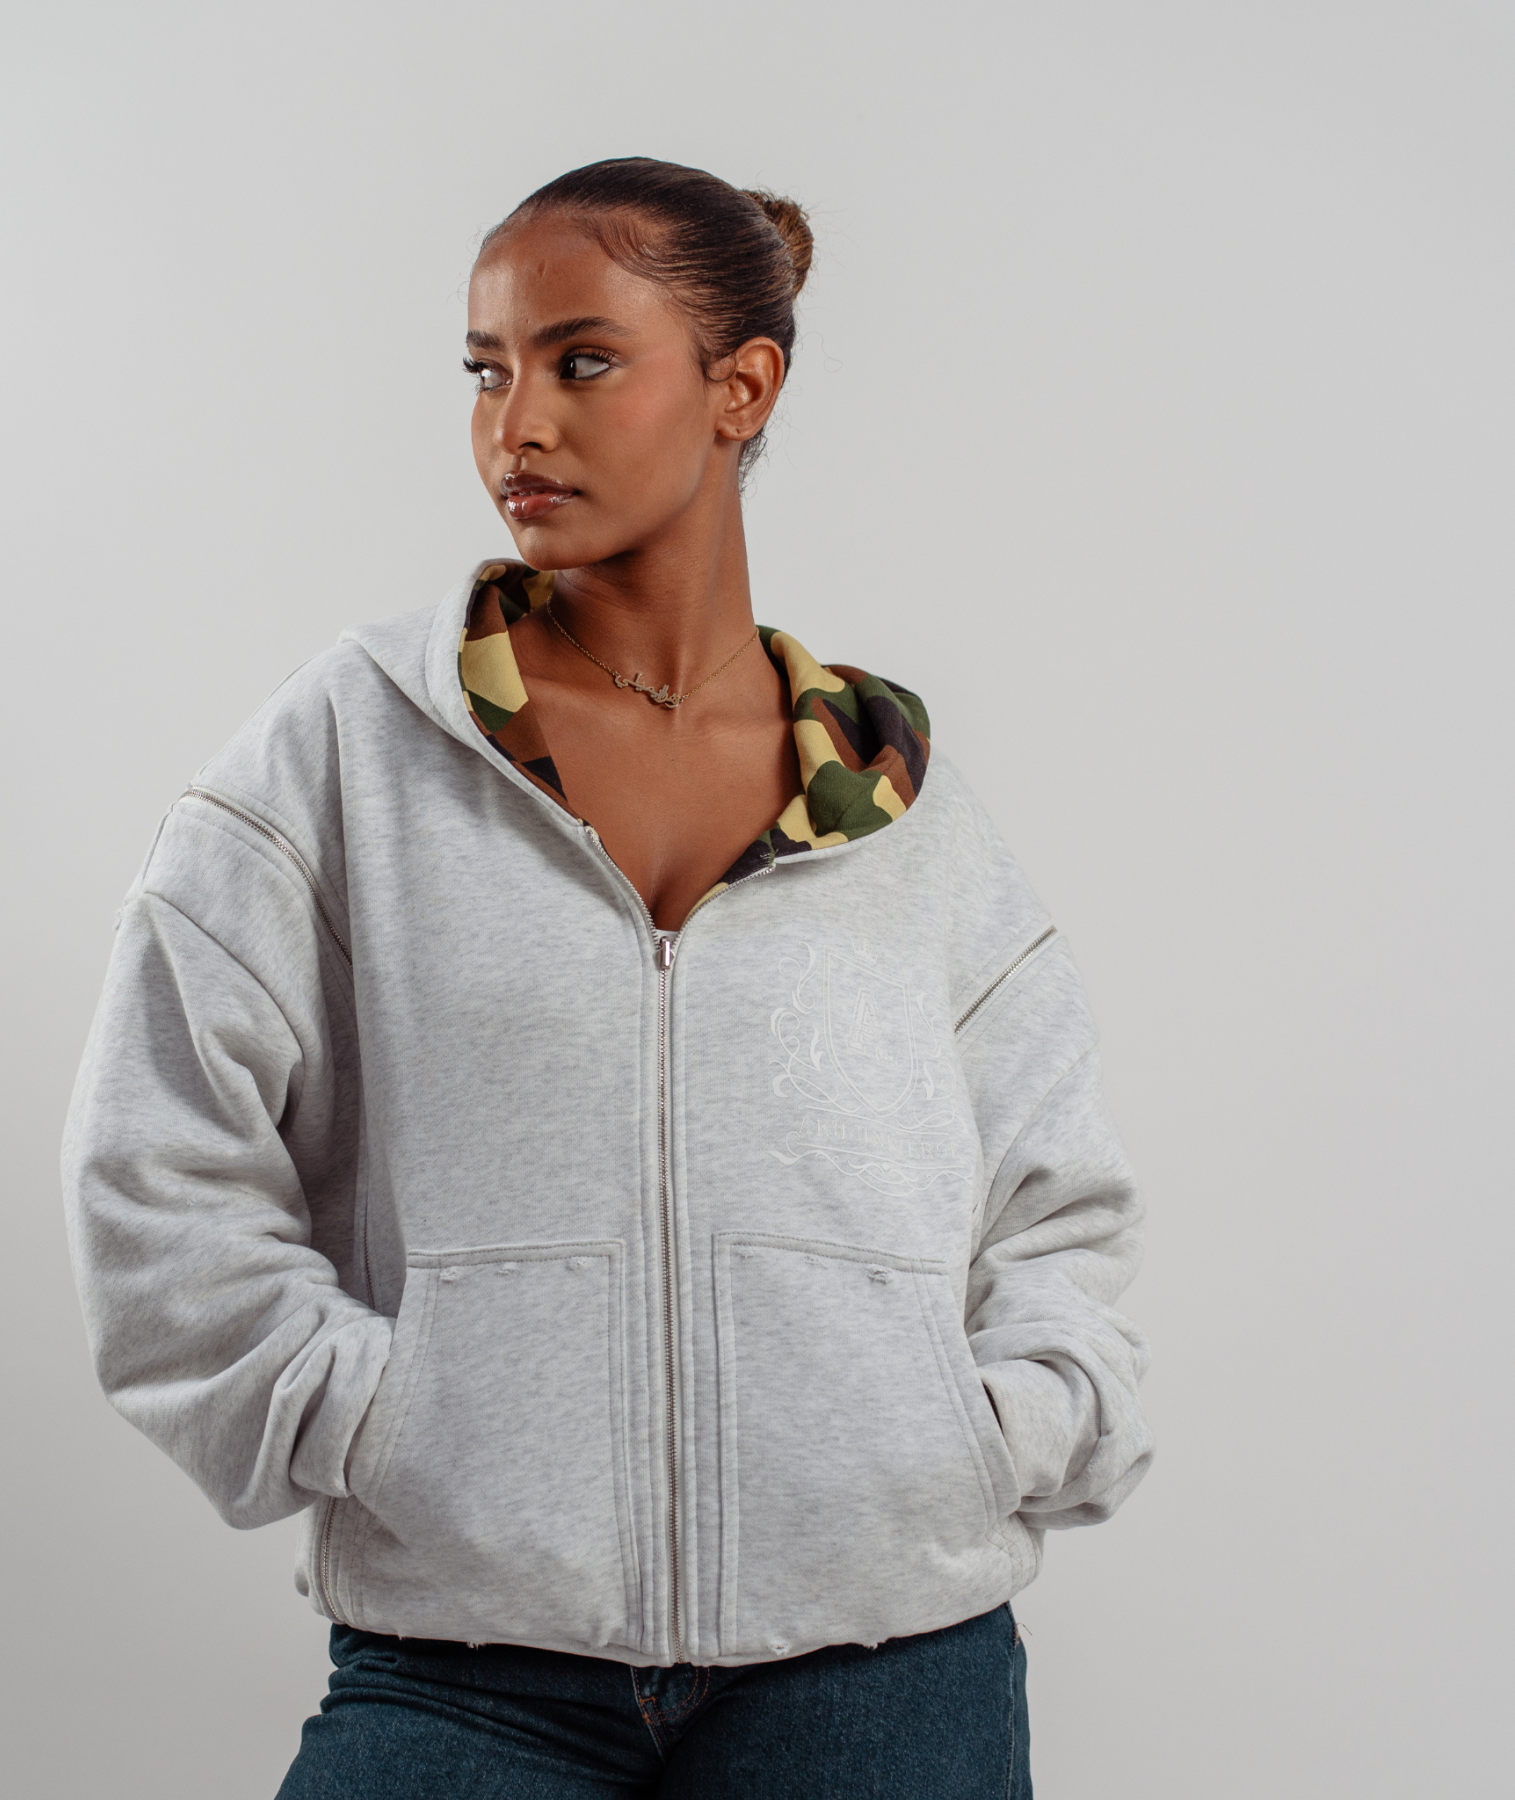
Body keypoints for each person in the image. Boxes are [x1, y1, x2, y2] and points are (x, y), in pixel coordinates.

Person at [63, 156, 1153, 1799]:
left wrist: (992, 1426)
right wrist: (364, 1417)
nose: (518, 425)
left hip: (884, 1661)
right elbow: (156, 1154)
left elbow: (1056, 1190)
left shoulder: (888, 799)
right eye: (485, 370)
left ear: (741, 386)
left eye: (581, 362)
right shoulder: (357, 746)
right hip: (465, 1668)